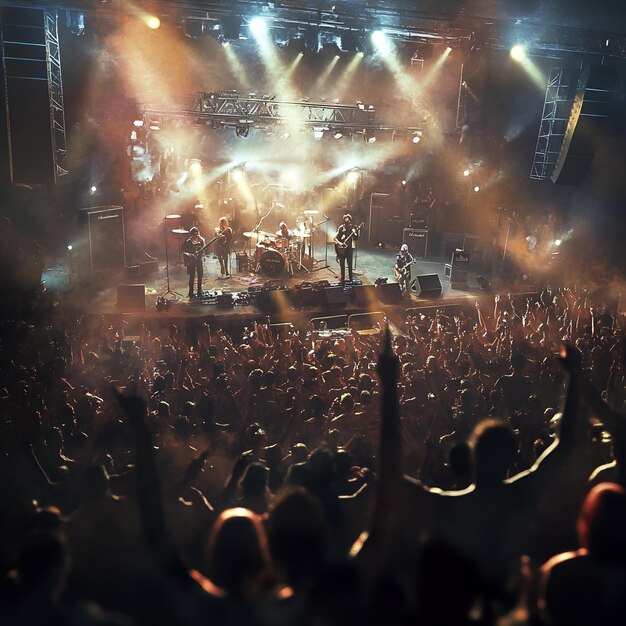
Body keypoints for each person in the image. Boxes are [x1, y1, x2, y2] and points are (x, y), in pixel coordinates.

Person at [334, 214, 360, 285]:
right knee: (342, 264)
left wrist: (355, 233)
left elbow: (356, 238)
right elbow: (335, 238)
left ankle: (351, 279)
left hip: (349, 248)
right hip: (341, 249)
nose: (346, 220)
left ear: (350, 220)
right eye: (345, 219)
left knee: (350, 264)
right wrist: (340, 243)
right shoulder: (341, 228)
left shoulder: (353, 228)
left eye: (347, 219)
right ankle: (342, 280)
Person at [181, 226, 205, 298]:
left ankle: (199, 290)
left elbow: (204, 247)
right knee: (192, 276)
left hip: (199, 260)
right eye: (194, 235)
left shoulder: (199, 241)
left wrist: (202, 240)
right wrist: (189, 255)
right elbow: (183, 251)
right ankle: (191, 292)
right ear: (191, 235)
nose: (196, 236)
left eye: (197, 234)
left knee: (200, 275)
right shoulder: (188, 242)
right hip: (191, 261)